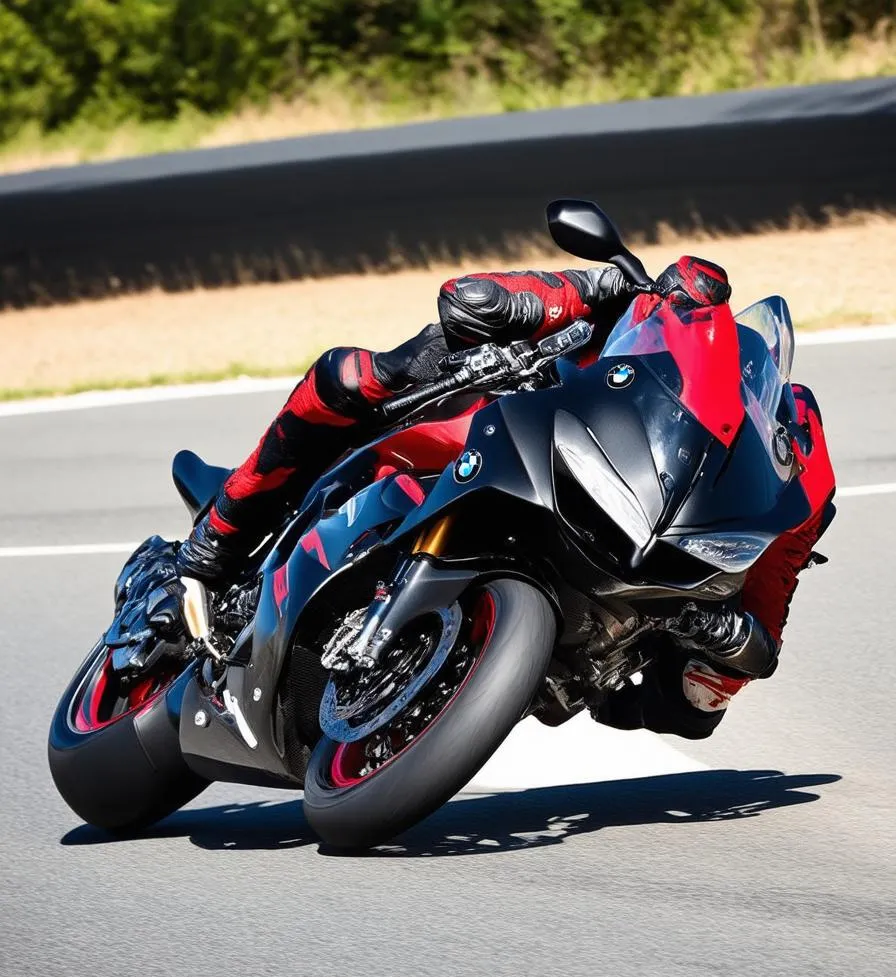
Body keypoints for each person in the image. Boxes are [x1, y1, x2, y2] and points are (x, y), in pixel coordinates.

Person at [143, 254, 836, 740]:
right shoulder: (649, 314)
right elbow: (489, 295)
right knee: (358, 378)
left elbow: (768, 608)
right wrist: (526, 303)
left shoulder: (792, 468)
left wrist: (734, 645)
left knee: (687, 705)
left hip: (627, 545)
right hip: (516, 429)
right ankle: (217, 540)